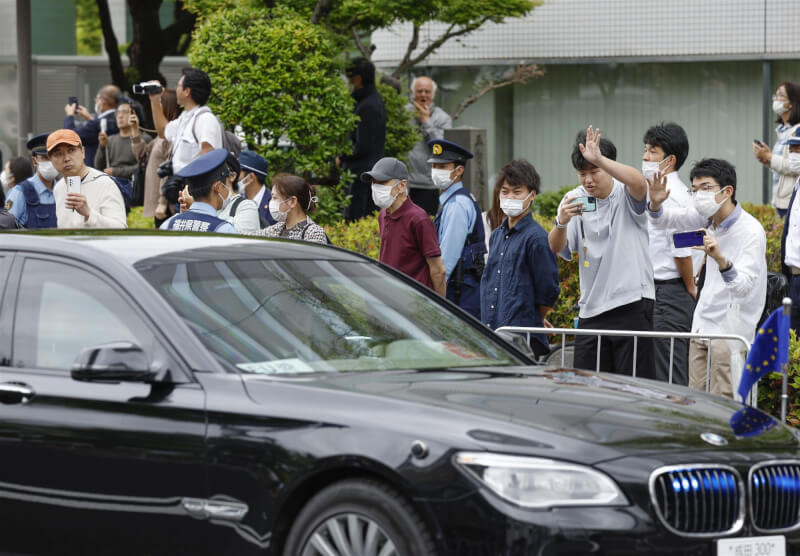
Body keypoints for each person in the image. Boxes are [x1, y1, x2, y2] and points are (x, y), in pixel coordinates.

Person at [648, 158, 767, 398]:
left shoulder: (751, 231)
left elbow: (743, 288)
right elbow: (664, 221)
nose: (698, 195)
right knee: (696, 402)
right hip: (701, 325)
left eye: (706, 187)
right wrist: (655, 203)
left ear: (727, 191)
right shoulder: (706, 220)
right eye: (694, 189)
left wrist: (721, 260)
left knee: (724, 404)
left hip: (729, 332)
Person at [548, 127, 654, 377]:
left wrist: (600, 159)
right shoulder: (574, 198)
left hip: (631, 303)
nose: (588, 180)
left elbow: (639, 181)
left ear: (608, 167)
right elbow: (554, 247)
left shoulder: (625, 192)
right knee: (589, 387)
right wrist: (561, 222)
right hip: (591, 309)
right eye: (582, 173)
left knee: (633, 388)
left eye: (594, 171)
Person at [480, 159, 560, 357]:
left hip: (523, 341)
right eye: (505, 192)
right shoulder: (497, 235)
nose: (509, 197)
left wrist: (534, 317)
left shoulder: (537, 238)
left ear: (531, 195)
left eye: (517, 192)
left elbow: (548, 289)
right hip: (493, 332)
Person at [641, 123, 696, 386]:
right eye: (645, 150)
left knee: (668, 376)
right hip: (666, 293)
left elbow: (682, 248)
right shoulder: (682, 193)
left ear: (670, 159)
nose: (645, 157)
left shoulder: (670, 195)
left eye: (652, 151)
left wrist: (690, 287)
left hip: (669, 293)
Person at [362, 157, 446, 296]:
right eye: (374, 182)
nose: (376, 187)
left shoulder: (419, 219)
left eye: (382, 182)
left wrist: (442, 311)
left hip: (415, 301)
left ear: (401, 186)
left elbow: (438, 270)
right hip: (391, 299)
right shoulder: (383, 215)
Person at [429, 139, 486, 319]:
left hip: (460, 294)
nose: (436, 171)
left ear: (459, 170)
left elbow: (446, 261)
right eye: (434, 166)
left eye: (443, 167)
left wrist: (436, 298)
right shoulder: (453, 200)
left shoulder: (457, 205)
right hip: (462, 290)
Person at [48, 129, 127, 229]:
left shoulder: (105, 183)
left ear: (83, 152)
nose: (66, 158)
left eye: (71, 150)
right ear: (50, 160)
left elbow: (121, 229)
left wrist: (89, 214)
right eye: (58, 154)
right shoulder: (58, 188)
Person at [150, 68, 222, 175]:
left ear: (187, 91)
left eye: (178, 86)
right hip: (183, 185)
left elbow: (208, 156)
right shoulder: (185, 118)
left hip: (195, 187)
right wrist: (155, 100)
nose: (176, 89)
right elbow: (163, 131)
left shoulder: (205, 119)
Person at [339, 57, 386, 221]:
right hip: (369, 172)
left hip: (360, 174)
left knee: (355, 219)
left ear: (357, 79)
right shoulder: (373, 100)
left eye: (349, 79)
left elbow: (362, 146)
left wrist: (341, 157)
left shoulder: (366, 105)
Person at [178, 151, 260, 234]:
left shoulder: (246, 206)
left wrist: (199, 211)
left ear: (232, 175)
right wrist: (188, 214)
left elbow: (236, 239)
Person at [131, 88, 179, 227]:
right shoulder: (161, 136)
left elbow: (170, 170)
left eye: (160, 104)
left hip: (166, 206)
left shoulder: (171, 137)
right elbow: (142, 156)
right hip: (158, 202)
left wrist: (163, 203)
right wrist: (134, 130)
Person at [159, 149, 236, 234]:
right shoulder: (224, 229)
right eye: (225, 186)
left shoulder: (168, 224)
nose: (228, 191)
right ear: (217, 187)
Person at [406, 76, 453, 216]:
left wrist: (426, 122)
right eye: (419, 91)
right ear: (412, 92)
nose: (423, 95)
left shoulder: (443, 118)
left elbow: (441, 149)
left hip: (428, 185)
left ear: (433, 95)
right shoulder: (402, 114)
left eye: (427, 91)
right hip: (404, 183)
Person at [753, 81, 800, 216]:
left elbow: (796, 166)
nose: (775, 99)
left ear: (792, 102)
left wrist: (770, 157)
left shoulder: (798, 132)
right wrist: (766, 158)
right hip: (781, 202)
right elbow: (783, 165)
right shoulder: (784, 131)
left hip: (793, 203)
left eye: (781, 96)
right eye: (776, 95)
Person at [251, 175, 327, 244]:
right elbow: (248, 239)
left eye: (275, 198)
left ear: (292, 201)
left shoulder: (313, 233)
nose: (271, 202)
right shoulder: (278, 228)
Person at [5, 134, 58, 228]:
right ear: (34, 161)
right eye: (45, 158)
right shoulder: (20, 192)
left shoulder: (64, 190)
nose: (50, 162)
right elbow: (6, 228)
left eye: (54, 157)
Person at [95, 98, 152, 180]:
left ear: (135, 115)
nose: (120, 116)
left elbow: (145, 166)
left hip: (134, 185)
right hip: (113, 186)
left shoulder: (144, 139)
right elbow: (98, 167)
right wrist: (102, 146)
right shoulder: (110, 139)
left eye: (125, 112)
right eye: (118, 112)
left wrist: (116, 172)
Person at [63, 85, 120, 166]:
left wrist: (69, 115)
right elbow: (100, 126)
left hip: (97, 170)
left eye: (97, 99)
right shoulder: (118, 118)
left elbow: (70, 135)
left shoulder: (96, 124)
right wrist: (89, 118)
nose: (95, 101)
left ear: (102, 101)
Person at [780, 129, 800, 332]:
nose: (794, 155)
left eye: (799, 149)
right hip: (794, 278)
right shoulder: (797, 184)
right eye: (792, 149)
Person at [239, 150, 276, 228]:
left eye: (239, 173)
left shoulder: (274, 204)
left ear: (251, 177)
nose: (235, 177)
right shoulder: (237, 199)